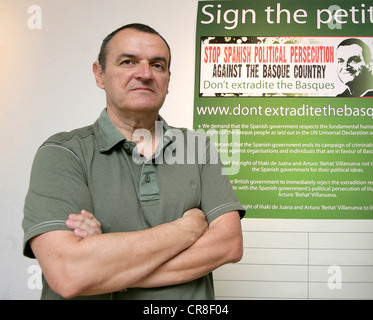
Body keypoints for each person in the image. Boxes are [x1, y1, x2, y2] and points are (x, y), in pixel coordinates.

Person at [22, 23, 245, 300]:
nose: (145, 74)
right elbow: (69, 274)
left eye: (158, 65)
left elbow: (228, 244)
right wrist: (186, 229)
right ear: (100, 75)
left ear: (167, 80)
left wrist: (105, 267)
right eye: (128, 61)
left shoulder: (199, 148)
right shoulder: (63, 153)